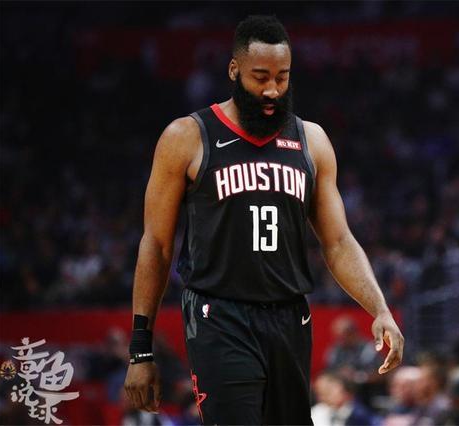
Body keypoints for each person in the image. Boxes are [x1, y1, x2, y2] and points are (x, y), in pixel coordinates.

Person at [123, 15, 404, 425]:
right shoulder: (187, 136)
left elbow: (338, 241)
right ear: (234, 70)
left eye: (282, 77)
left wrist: (379, 309)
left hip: (290, 317)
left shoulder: (311, 140)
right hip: (220, 315)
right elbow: (157, 245)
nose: (272, 89)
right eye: (260, 77)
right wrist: (140, 349)